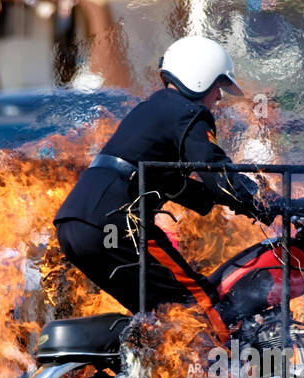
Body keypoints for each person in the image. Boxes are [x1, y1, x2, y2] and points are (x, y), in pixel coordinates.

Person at [54, 36, 278, 341]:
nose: (219, 98)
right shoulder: (189, 114)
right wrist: (269, 203)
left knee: (158, 321)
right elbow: (217, 173)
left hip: (75, 225)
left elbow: (162, 177)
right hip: (117, 223)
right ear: (200, 79)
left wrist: (208, 198)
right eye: (218, 87)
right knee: (200, 301)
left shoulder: (153, 110)